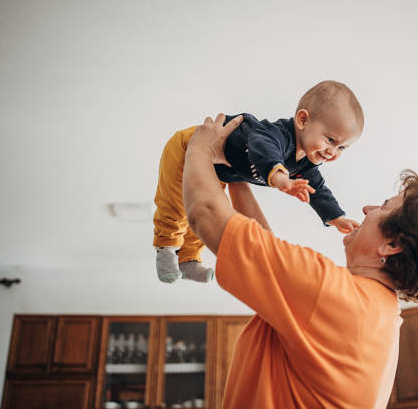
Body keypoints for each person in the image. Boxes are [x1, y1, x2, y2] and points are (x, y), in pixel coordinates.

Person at [182, 114, 418, 408]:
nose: (367, 209)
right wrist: (237, 176)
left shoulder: (335, 297)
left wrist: (200, 146)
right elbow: (264, 252)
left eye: (384, 207)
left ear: (392, 245)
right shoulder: (377, 314)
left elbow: (205, 213)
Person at [153, 80, 364, 283]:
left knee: (197, 206)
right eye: (330, 140)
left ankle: (188, 259)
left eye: (342, 148)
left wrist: (336, 217)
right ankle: (166, 247)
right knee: (175, 205)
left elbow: (318, 190)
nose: (332, 152)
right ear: (302, 120)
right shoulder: (278, 135)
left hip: (217, 168)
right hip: (189, 147)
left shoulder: (306, 164)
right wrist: (279, 176)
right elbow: (262, 146)